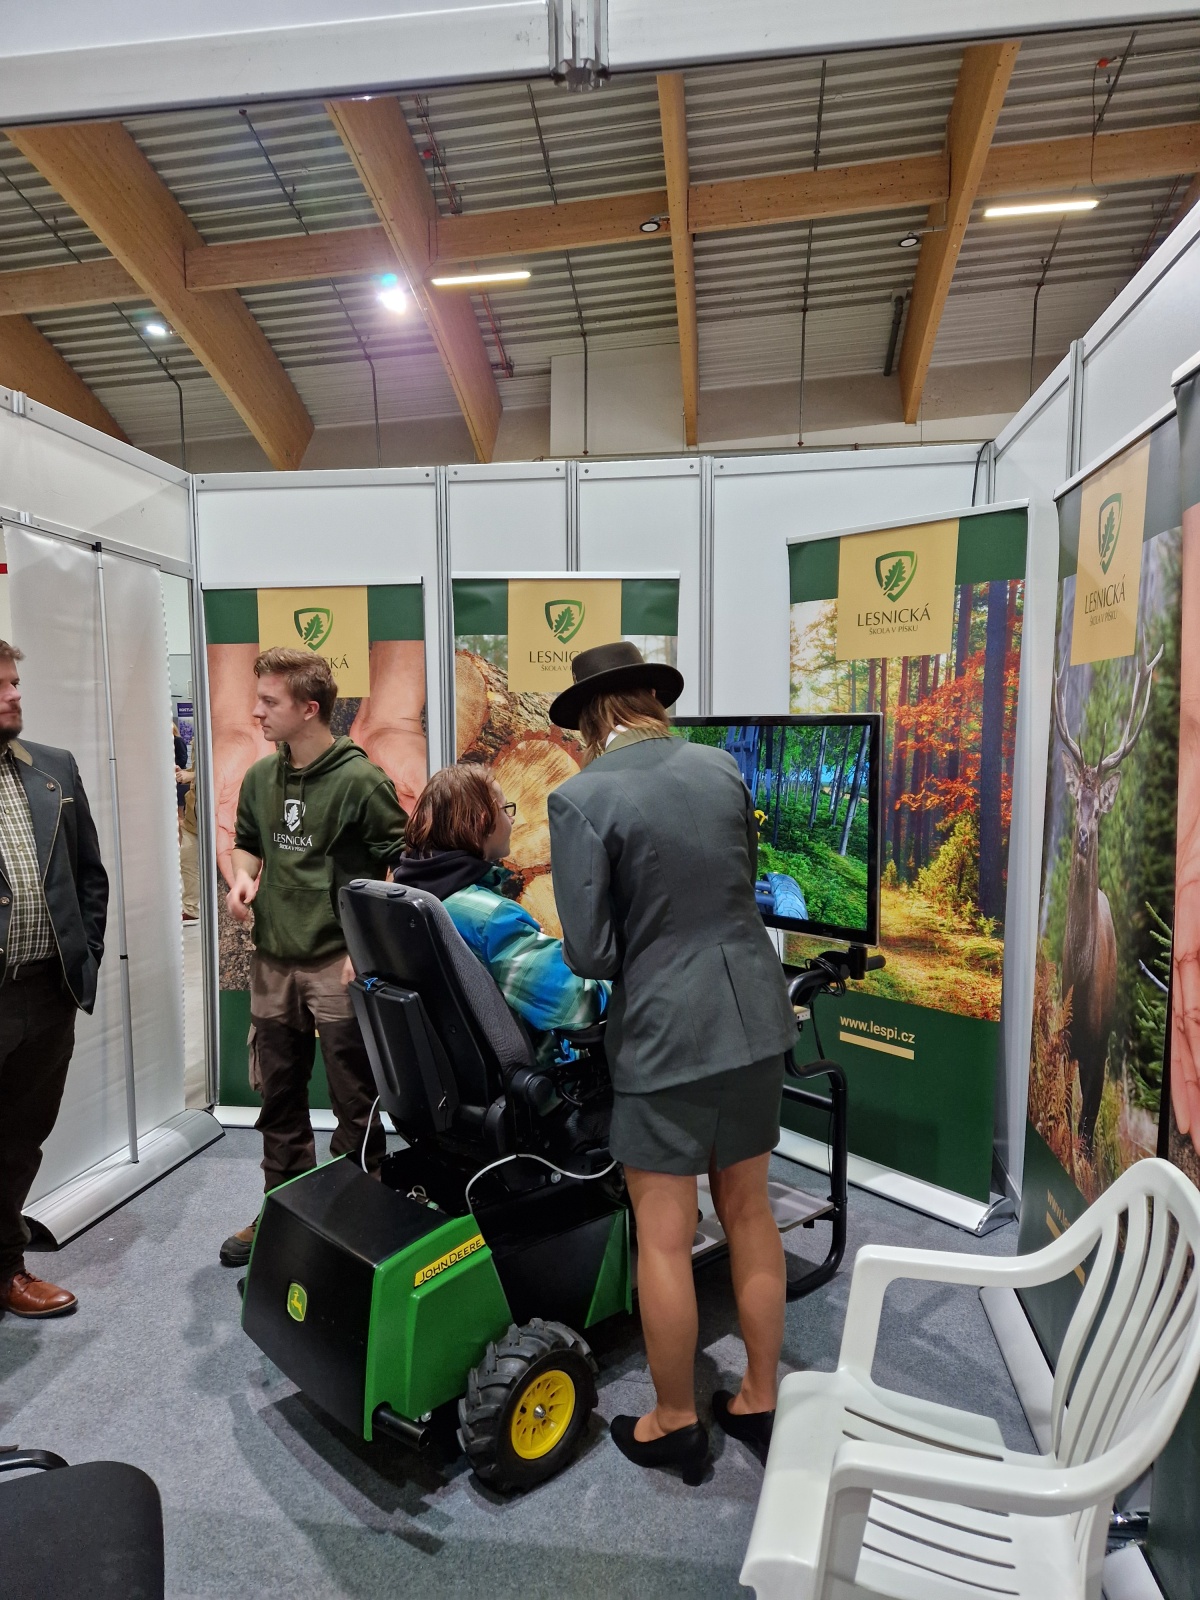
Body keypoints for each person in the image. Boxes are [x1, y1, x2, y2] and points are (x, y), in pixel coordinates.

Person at [546, 642, 798, 1483]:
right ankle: (760, 1397)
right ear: (653, 700)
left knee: (663, 1236)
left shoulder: (580, 796)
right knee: (750, 1212)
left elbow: (590, 952)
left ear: (590, 718)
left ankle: (675, 1420)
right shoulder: (721, 767)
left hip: (663, 1035)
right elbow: (741, 888)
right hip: (754, 1018)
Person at [219, 647, 409, 1268]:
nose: (256, 712)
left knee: (356, 1099)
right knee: (278, 1094)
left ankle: (357, 1215)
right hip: (274, 959)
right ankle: (282, 1206)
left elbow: (400, 863)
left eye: (269, 701)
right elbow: (248, 844)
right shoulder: (259, 777)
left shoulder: (361, 781)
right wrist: (242, 878)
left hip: (338, 962)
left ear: (309, 708)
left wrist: (368, 945)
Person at [0, 641, 108, 1318]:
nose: (15, 694)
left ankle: (6, 1268)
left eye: (14, 681)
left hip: (46, 994)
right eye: (1, 685)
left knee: (19, 1140)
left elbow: (89, 874)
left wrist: (84, 956)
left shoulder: (53, 769)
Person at [391, 764, 606, 1059]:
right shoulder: (490, 919)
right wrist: (617, 981)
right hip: (542, 1072)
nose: (512, 819)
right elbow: (576, 1003)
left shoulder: (411, 894)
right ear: (484, 820)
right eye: (506, 809)